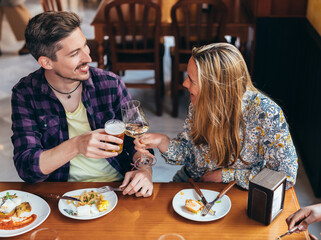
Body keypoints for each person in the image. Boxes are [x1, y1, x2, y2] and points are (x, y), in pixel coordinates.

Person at [11, 11, 153, 197]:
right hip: (60, 194)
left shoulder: (110, 83)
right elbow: (27, 168)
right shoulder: (25, 93)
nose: (88, 57)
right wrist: (77, 144)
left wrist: (144, 170)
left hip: (118, 188)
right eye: (74, 53)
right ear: (46, 62)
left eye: (85, 46)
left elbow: (139, 143)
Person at [134, 42, 298, 190]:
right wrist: (163, 141)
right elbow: (188, 153)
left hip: (239, 189)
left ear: (215, 88)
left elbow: (285, 176)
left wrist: (225, 175)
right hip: (192, 180)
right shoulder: (198, 103)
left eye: (191, 80)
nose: (184, 84)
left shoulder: (266, 114)